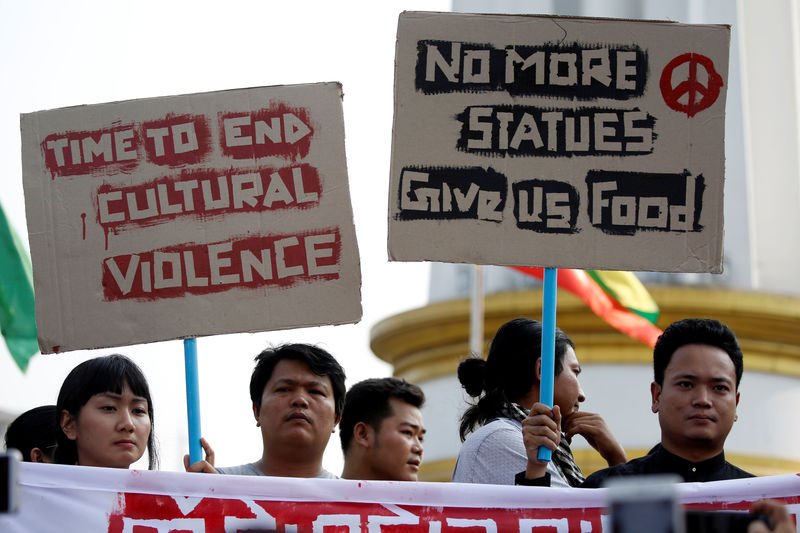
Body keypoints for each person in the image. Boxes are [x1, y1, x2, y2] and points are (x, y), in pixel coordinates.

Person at [518, 318, 753, 487]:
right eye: (686, 384)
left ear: (737, 403)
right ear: (656, 396)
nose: (703, 400)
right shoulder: (604, 491)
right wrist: (536, 472)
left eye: (719, 388)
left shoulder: (764, 503)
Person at [452, 317, 626, 486]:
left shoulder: (515, 434)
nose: (582, 395)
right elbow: (572, 513)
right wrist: (618, 461)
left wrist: (616, 458)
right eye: (574, 371)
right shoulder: (503, 438)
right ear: (543, 369)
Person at [187, 343, 345, 478]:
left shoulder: (360, 505)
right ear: (257, 410)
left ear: (337, 417)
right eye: (284, 389)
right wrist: (201, 500)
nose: (300, 400)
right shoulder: (213, 486)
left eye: (316, 392)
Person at [56, 354, 158, 469]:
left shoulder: (168, 487)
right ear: (69, 423)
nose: (128, 424)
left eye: (138, 410)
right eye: (109, 408)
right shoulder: (39, 487)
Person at [339, 377, 426, 481]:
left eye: (420, 438)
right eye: (408, 432)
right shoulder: (317, 496)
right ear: (363, 434)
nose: (419, 448)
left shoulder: (435, 497)